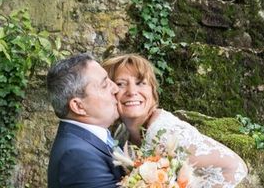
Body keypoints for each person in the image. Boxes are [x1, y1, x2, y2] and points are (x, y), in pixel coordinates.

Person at [103, 53, 249, 188]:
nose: (132, 91)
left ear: (153, 92)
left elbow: (236, 167)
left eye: (141, 83)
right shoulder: (122, 132)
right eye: (121, 84)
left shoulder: (165, 133)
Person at [46, 53, 124, 188]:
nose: (116, 89)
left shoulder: (87, 140)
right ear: (78, 106)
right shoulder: (77, 156)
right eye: (104, 85)